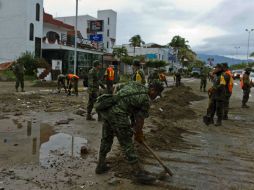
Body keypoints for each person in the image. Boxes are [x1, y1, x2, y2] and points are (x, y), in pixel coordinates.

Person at [95, 80, 164, 184]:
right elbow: (140, 120)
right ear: (153, 90)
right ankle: (138, 173)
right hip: (119, 115)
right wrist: (138, 134)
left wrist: (118, 104)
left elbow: (117, 87)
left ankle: (100, 165)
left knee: (106, 138)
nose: (156, 96)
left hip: (108, 111)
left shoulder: (134, 84)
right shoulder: (145, 99)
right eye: (157, 94)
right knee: (127, 143)